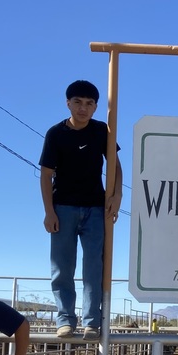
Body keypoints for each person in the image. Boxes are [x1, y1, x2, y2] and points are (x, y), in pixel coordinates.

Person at [39, 79, 123, 340]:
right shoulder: (55, 134)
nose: (83, 108)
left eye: (89, 103)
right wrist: (49, 211)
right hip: (62, 208)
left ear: (96, 107)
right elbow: (45, 175)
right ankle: (65, 320)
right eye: (78, 102)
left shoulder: (102, 132)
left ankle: (91, 322)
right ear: (68, 103)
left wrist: (116, 195)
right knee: (62, 267)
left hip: (95, 208)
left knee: (93, 267)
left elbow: (115, 166)